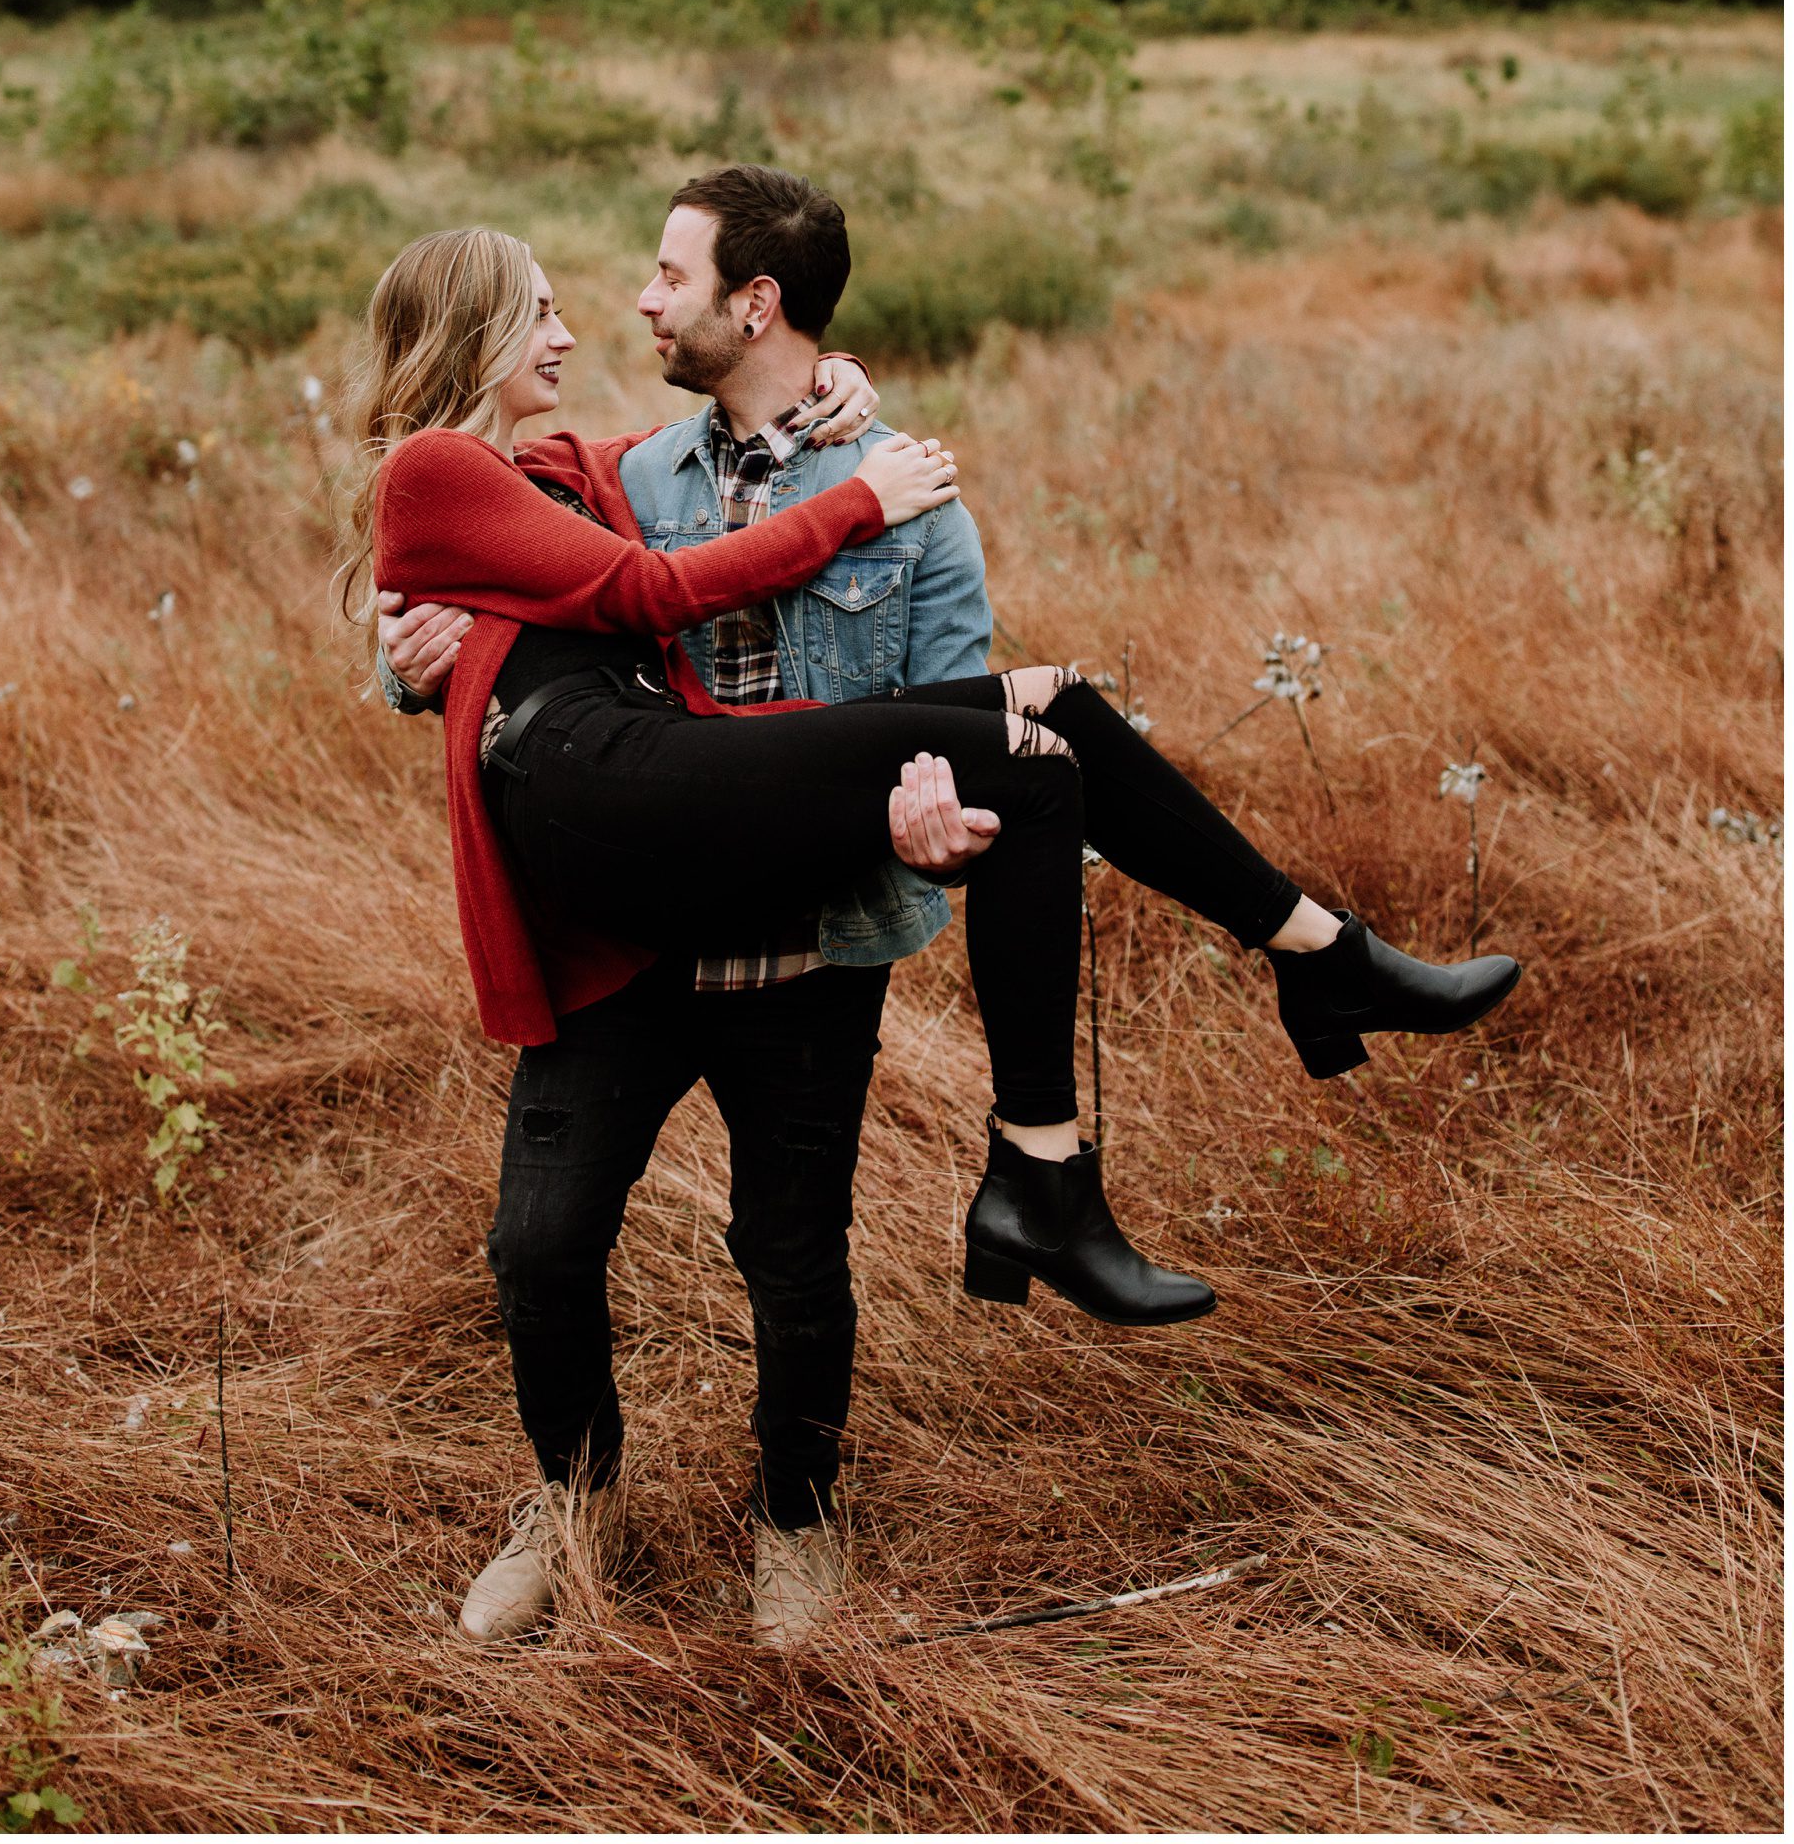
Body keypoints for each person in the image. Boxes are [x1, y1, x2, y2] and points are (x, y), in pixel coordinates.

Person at [351, 172, 1522, 1644]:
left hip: (803, 932)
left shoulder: (887, 501)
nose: (625, 307)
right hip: (632, 933)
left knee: (803, 1239)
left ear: (756, 306)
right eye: (568, 301)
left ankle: (800, 1515)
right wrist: (403, 658)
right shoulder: (638, 473)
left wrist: (935, 833)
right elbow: (565, 589)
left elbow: (918, 731)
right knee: (539, 1248)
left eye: (665, 277)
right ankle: (584, 1492)